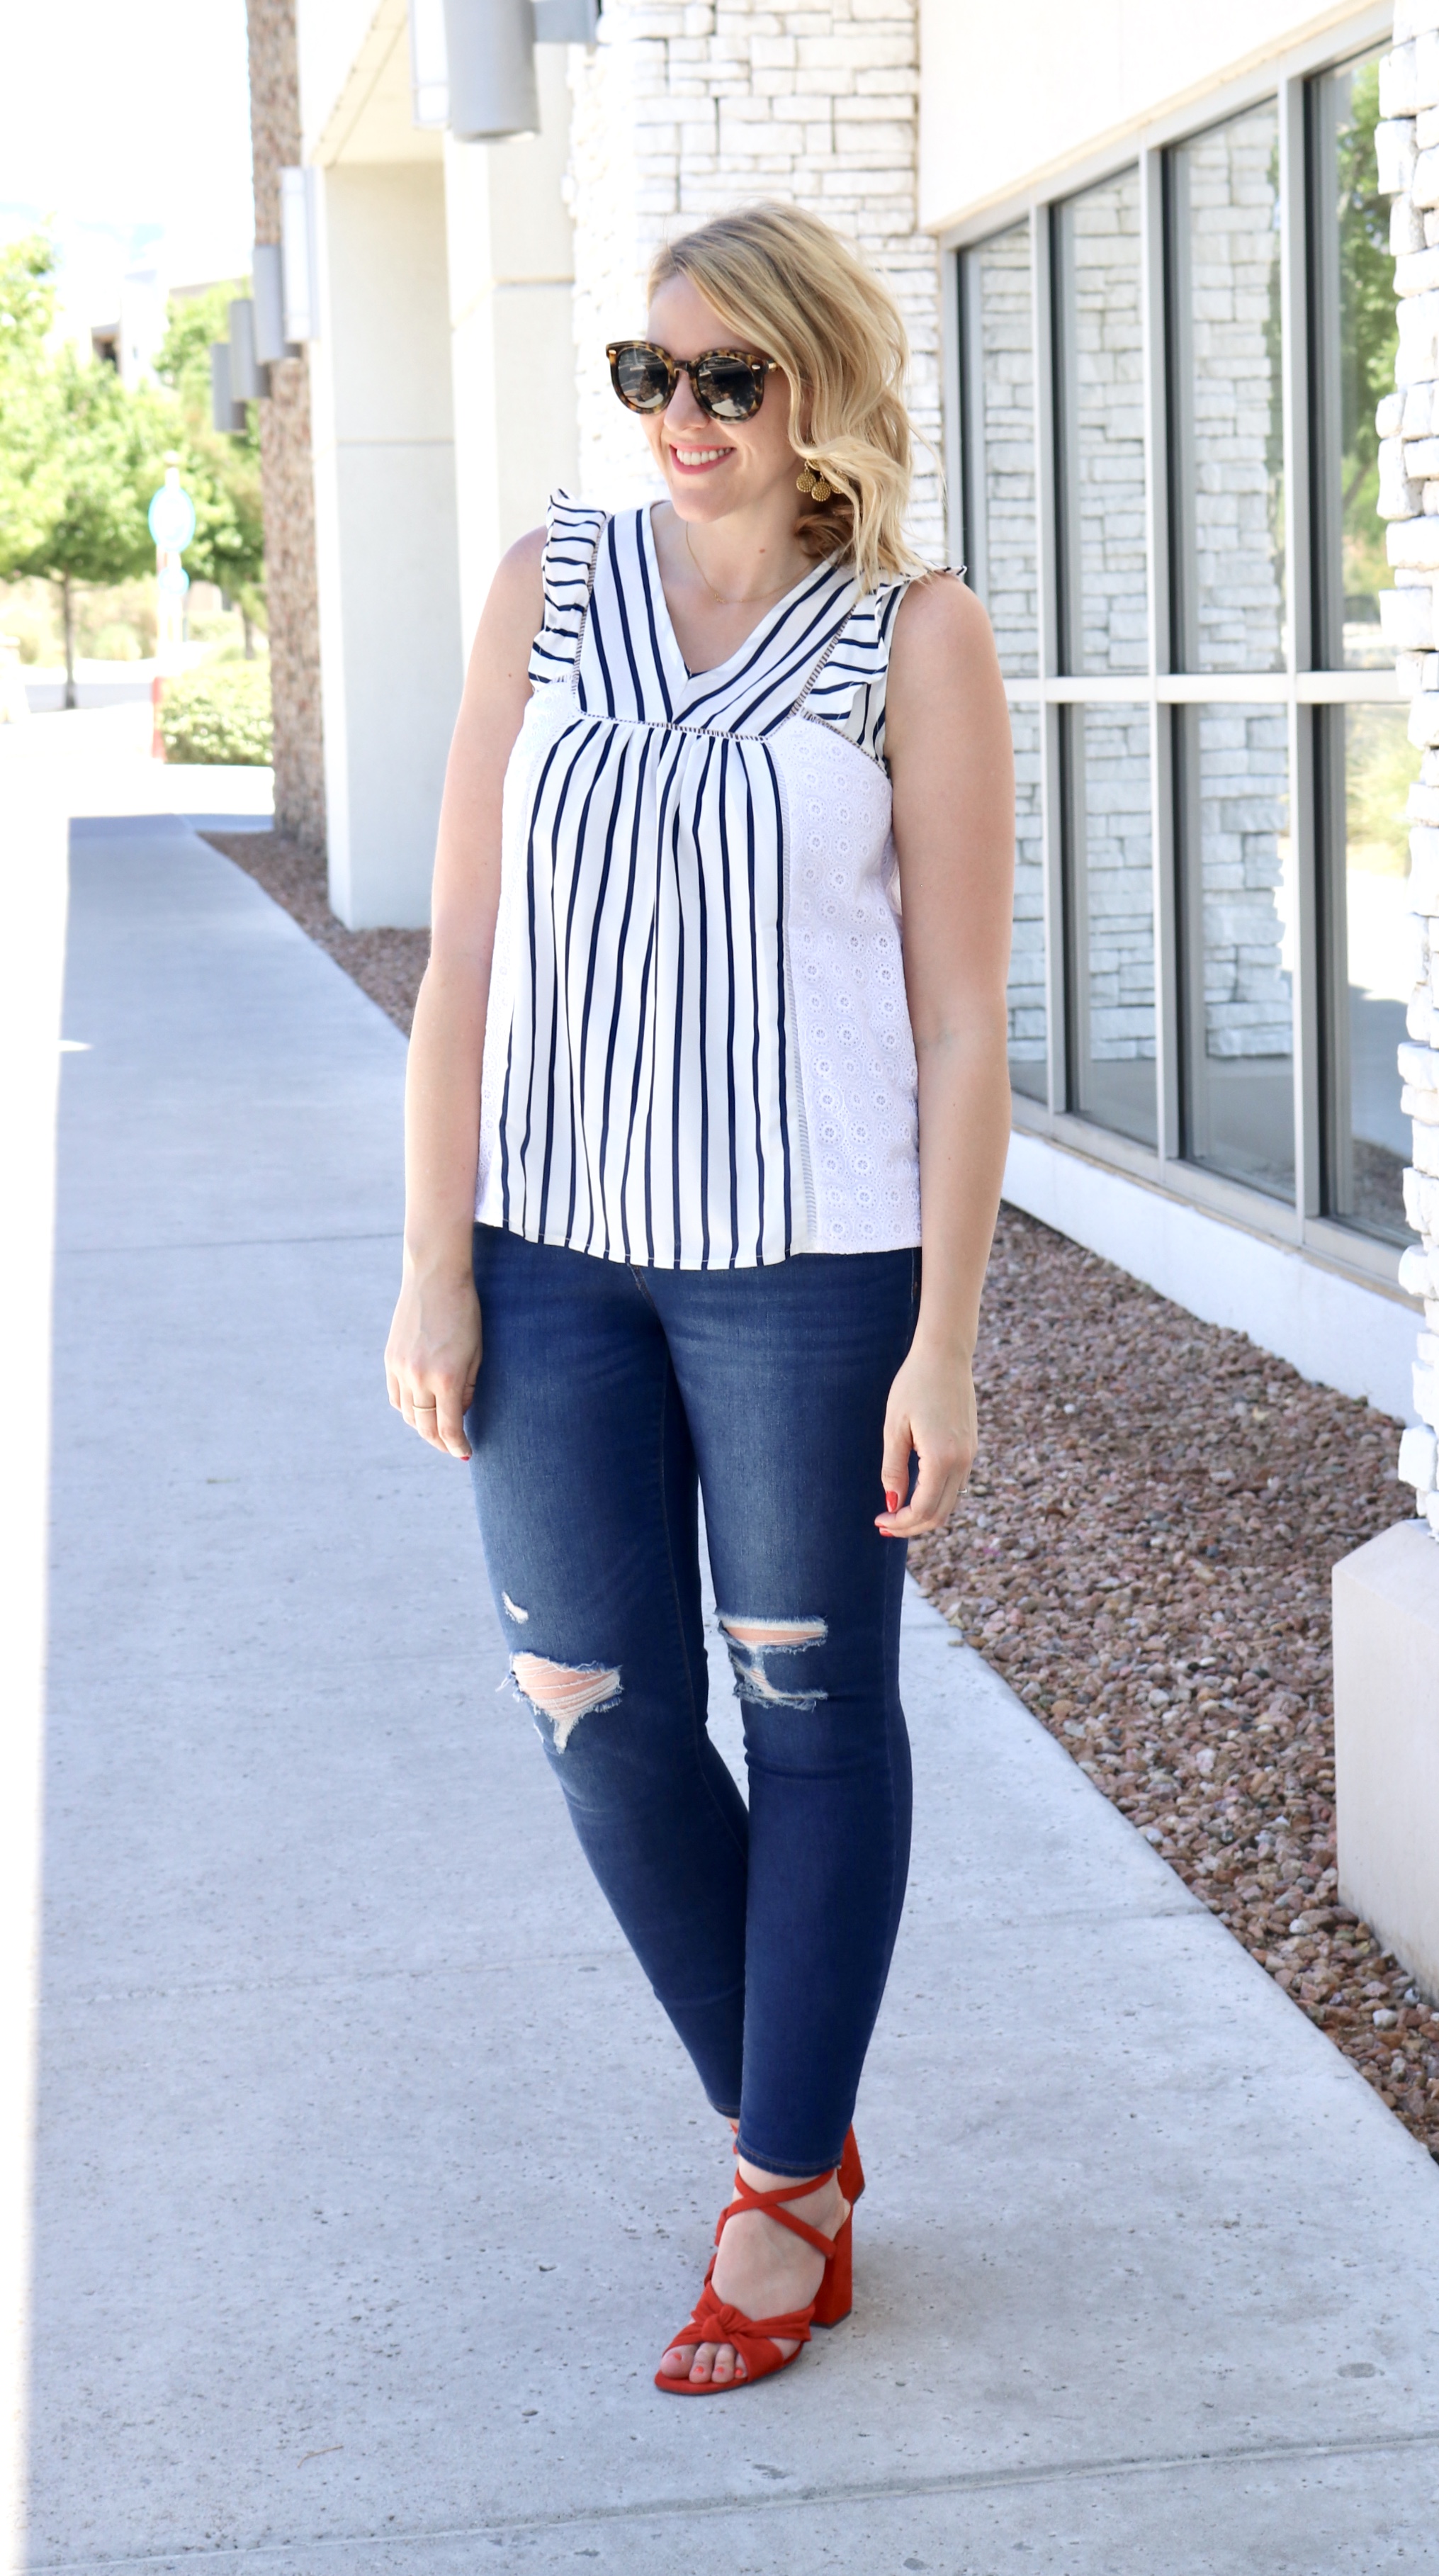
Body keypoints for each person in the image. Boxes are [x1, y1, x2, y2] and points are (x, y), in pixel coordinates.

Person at [385, 201, 1013, 2395]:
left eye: (729, 382)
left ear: (824, 392)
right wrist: (432, 1259)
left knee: (817, 1711)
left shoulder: (910, 634)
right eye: (654, 376)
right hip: (552, 1251)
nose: (683, 418)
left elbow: (956, 1027)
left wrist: (944, 1331)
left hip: (813, 1276)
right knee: (591, 1700)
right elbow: (462, 951)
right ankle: (809, 2136)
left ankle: (772, 2188)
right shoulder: (551, 587)